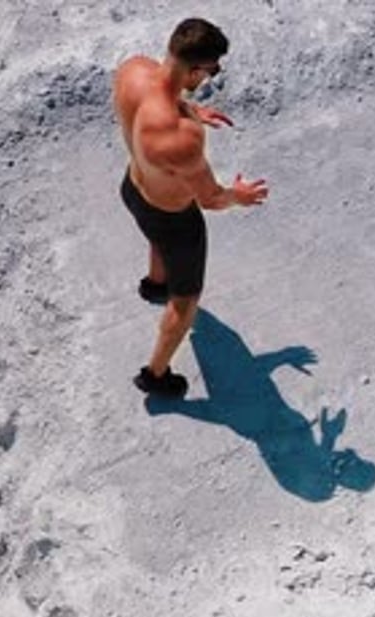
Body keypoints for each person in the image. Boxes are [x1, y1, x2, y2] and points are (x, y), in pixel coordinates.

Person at [114, 17, 268, 398]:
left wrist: (191, 109)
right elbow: (210, 199)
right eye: (211, 69)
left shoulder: (133, 71)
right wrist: (240, 195)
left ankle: (155, 284)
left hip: (133, 188)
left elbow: (159, 101)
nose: (211, 77)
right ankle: (154, 375)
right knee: (185, 305)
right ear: (195, 67)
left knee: (155, 236)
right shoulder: (180, 139)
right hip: (175, 220)